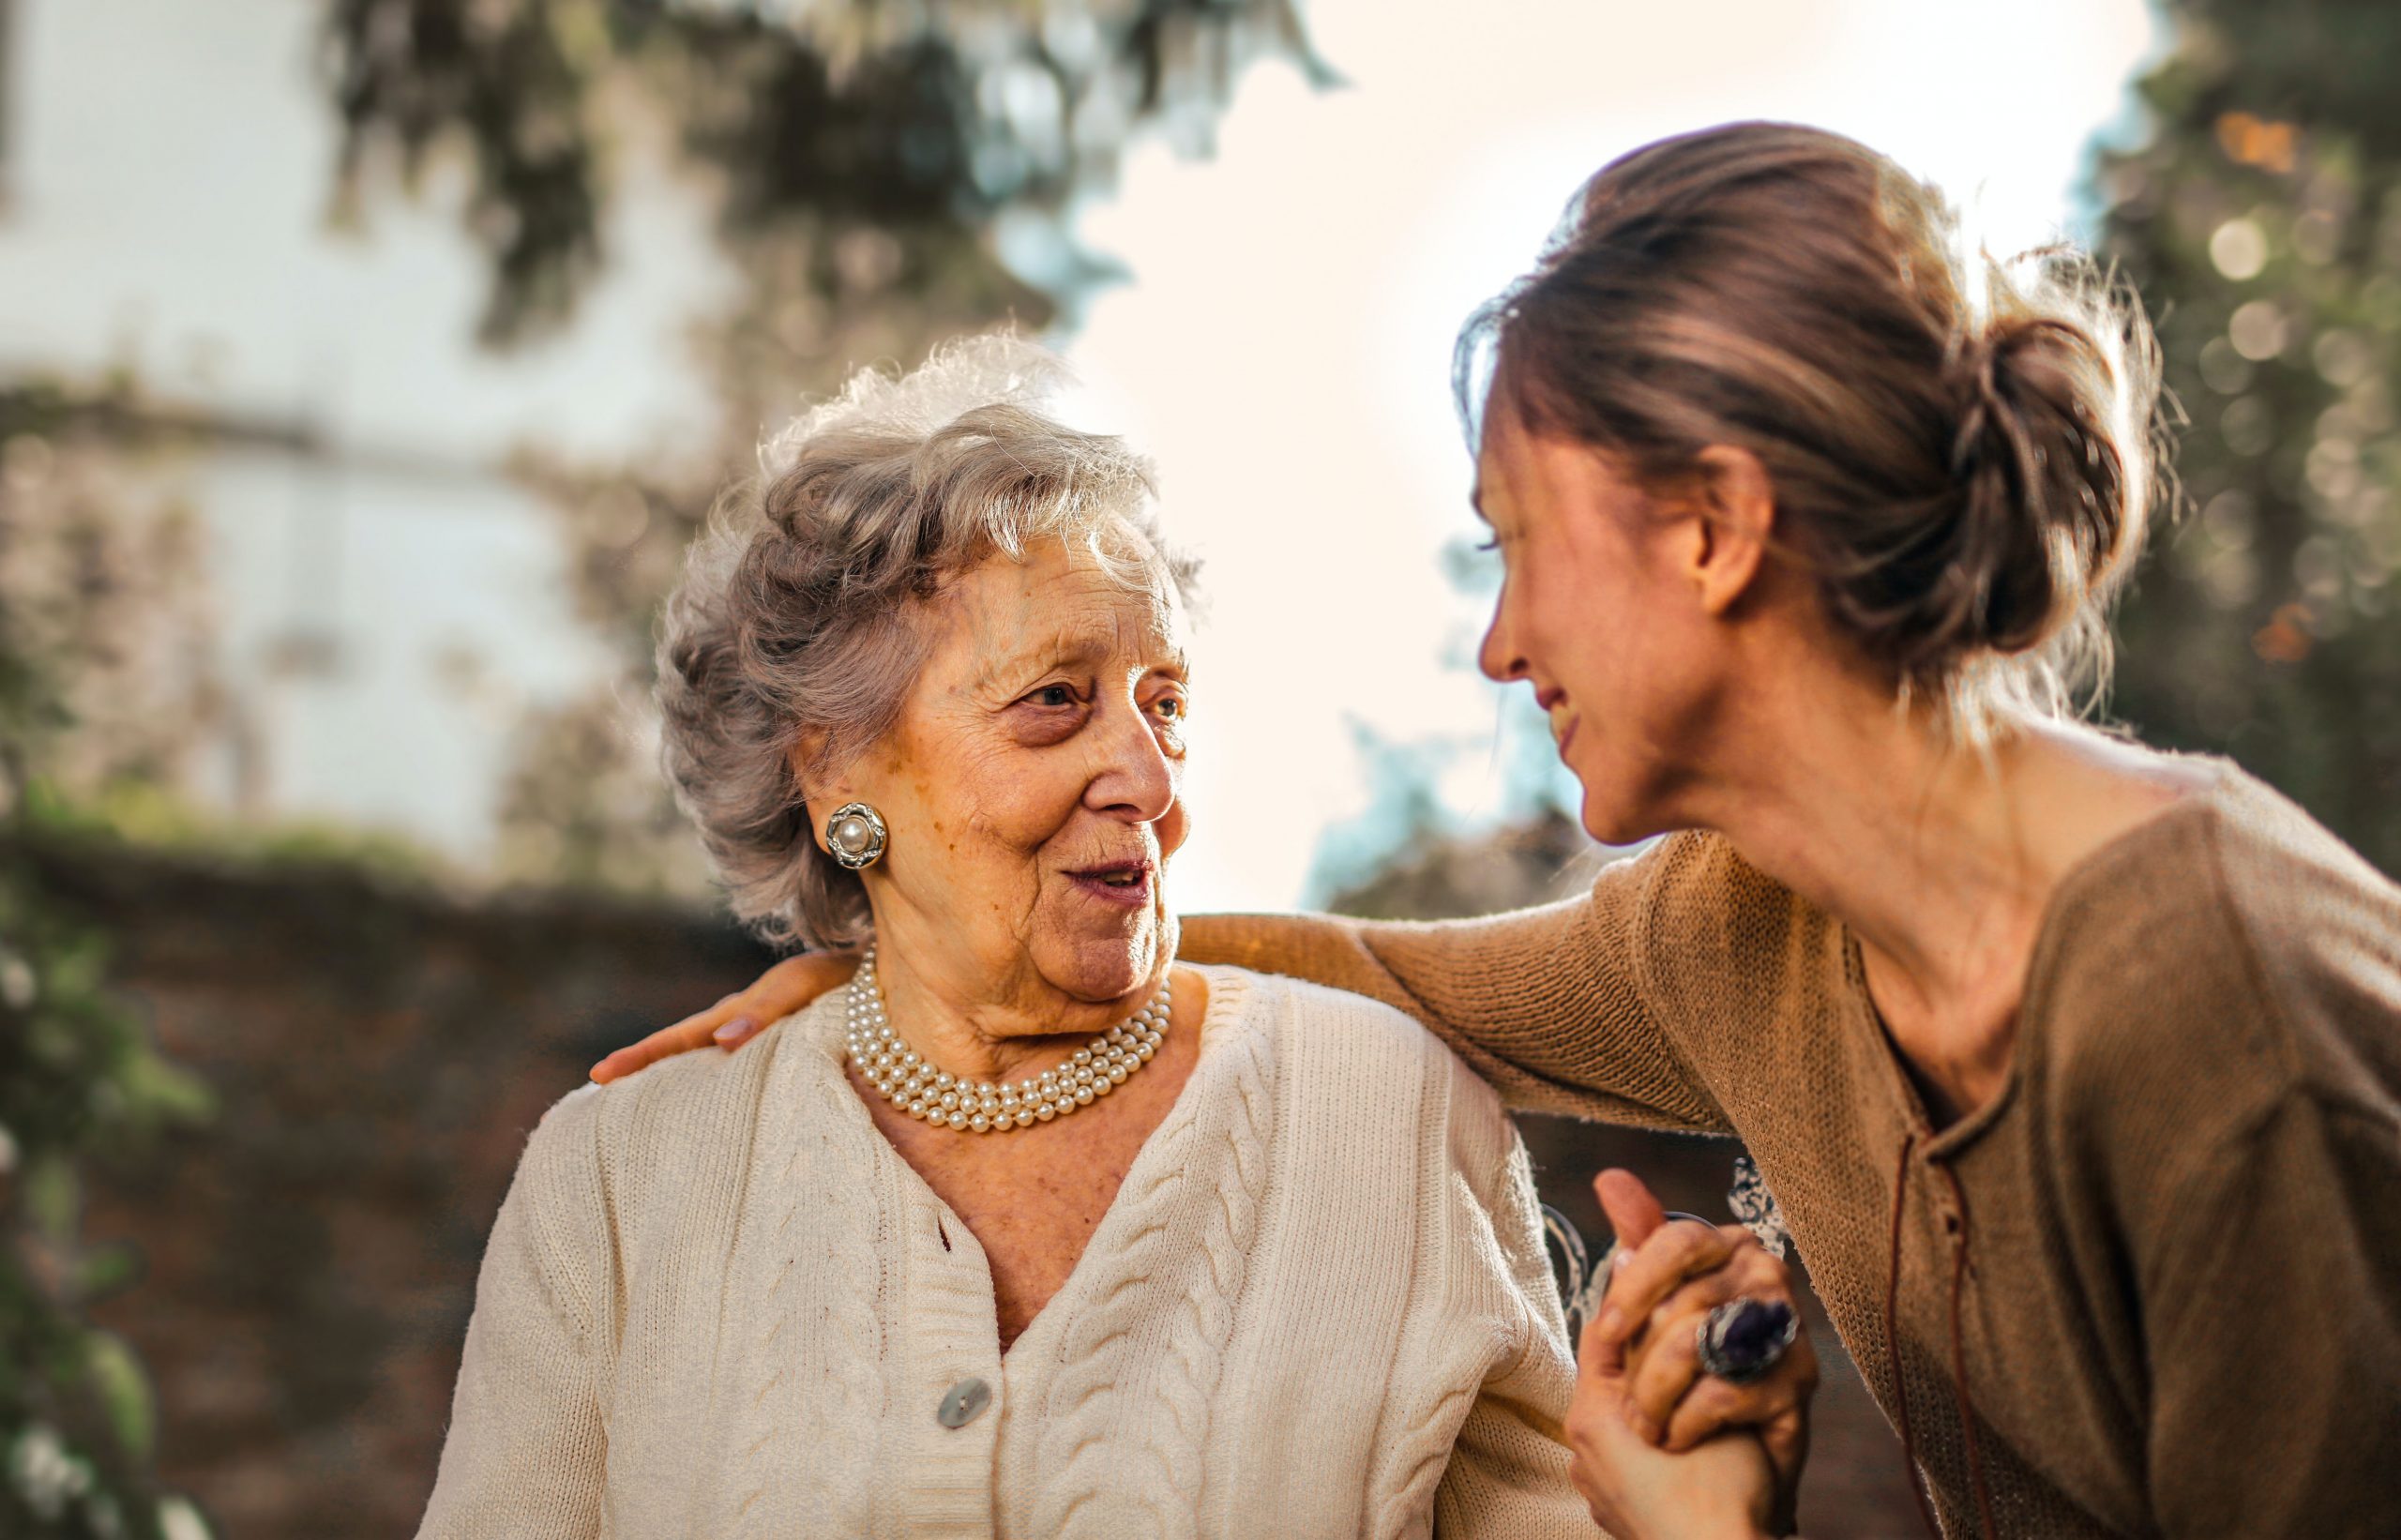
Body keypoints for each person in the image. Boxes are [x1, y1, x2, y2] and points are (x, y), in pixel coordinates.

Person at [601, 123, 2401, 1539]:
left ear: (1711, 530)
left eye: (1520, 540)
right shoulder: (1741, 928)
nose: (1500, 640)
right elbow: (1386, 975)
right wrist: (916, 968)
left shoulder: (2215, 1012)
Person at [417, 338, 1669, 1538]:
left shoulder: (1392, 1115)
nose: (1145, 774)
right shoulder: (621, 1179)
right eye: (1054, 700)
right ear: (836, 766)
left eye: (1163, 703)